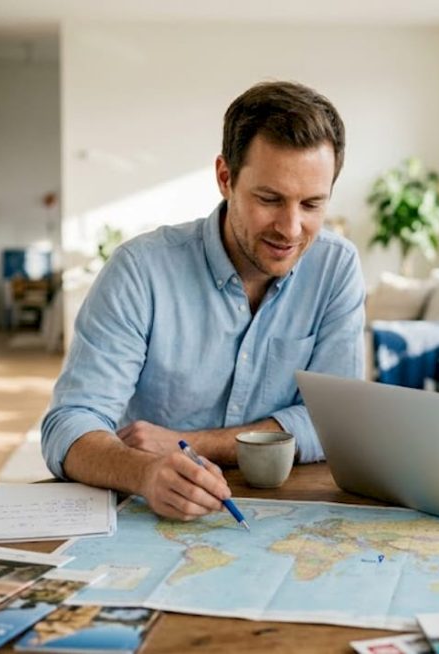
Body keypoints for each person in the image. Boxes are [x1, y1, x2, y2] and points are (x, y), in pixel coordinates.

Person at [42, 81, 364, 522]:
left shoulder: (335, 267)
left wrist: (190, 442)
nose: (290, 229)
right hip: (153, 517)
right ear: (225, 178)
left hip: (290, 518)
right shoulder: (140, 270)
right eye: (269, 199)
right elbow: (70, 424)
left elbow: (337, 425)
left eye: (311, 204)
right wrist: (144, 471)